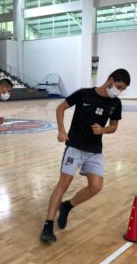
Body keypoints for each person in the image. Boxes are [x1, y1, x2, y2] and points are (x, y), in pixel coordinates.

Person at [40, 69, 131, 242]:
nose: (119, 91)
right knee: (64, 183)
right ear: (110, 80)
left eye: (123, 89)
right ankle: (48, 225)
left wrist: (103, 130)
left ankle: (67, 206)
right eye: (118, 87)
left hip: (95, 150)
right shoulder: (84, 94)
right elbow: (61, 108)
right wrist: (61, 130)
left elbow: (114, 126)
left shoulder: (115, 104)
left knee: (96, 186)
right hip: (75, 146)